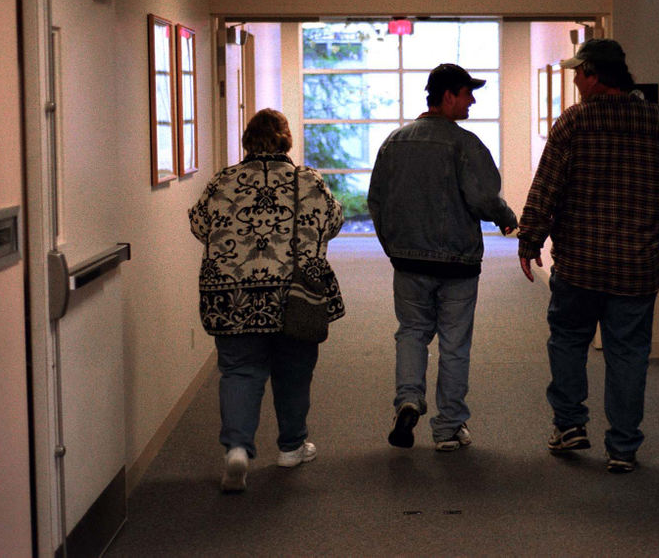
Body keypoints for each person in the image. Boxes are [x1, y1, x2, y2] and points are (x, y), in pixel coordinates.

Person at [518, 39, 659, 473]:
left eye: (579, 73)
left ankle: (570, 426)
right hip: (636, 266)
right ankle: (622, 447)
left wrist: (529, 240)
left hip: (579, 263)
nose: (576, 80)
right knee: (628, 354)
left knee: (567, 341)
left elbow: (546, 187)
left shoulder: (574, 123)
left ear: (595, 75)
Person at [189, 108, 345, 493]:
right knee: (293, 368)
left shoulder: (222, 181)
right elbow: (334, 221)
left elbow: (198, 225)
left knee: (240, 370)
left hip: (232, 295)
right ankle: (291, 446)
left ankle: (238, 448)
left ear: (247, 140)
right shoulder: (307, 179)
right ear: (286, 139)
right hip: (294, 296)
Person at [368, 63, 518, 452]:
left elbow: (377, 203)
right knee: (454, 343)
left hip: (408, 262)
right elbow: (485, 198)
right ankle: (448, 427)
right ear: (447, 96)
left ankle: (407, 400)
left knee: (412, 332)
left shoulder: (393, 142)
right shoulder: (465, 144)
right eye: (467, 93)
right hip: (458, 262)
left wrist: (394, 249)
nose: (472, 100)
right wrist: (506, 219)